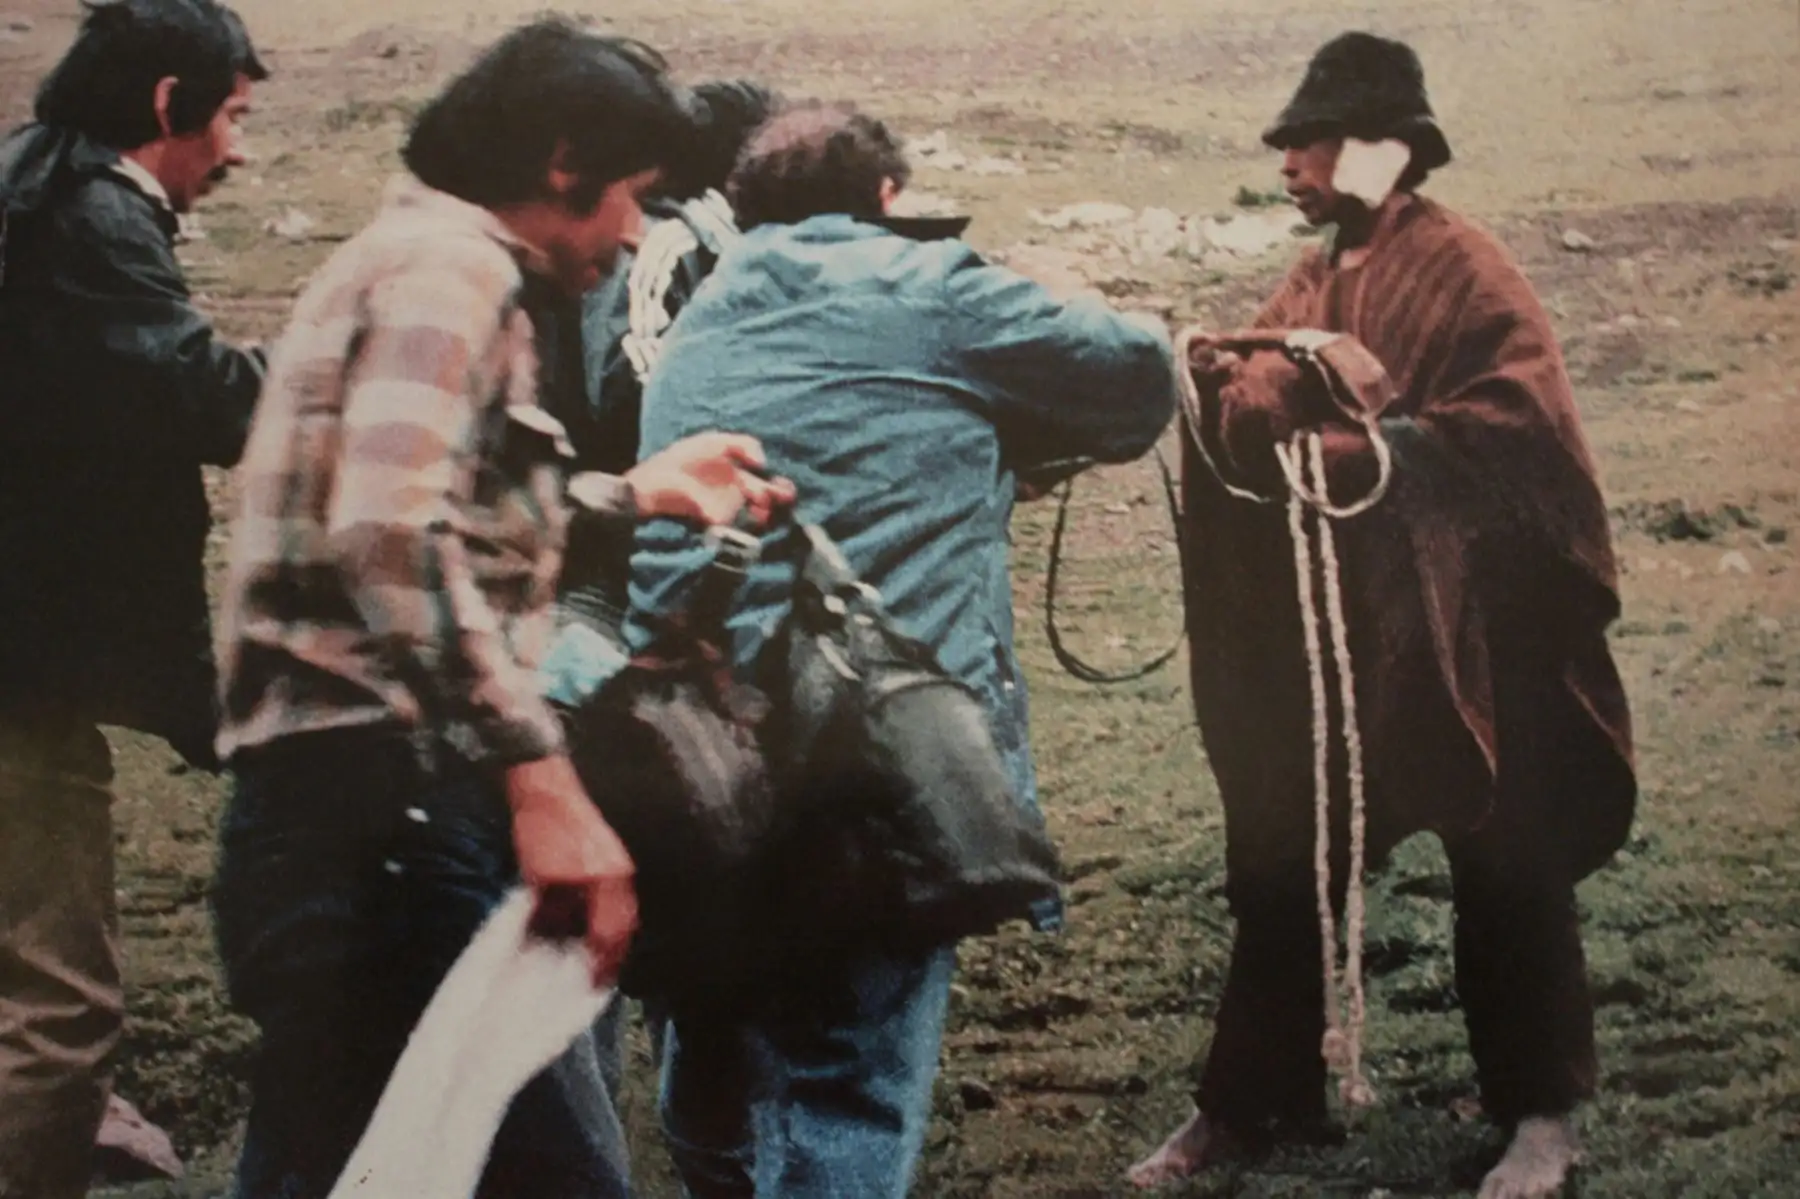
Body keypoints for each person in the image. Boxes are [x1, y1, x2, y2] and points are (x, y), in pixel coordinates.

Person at [206, 21, 792, 1198]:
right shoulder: (455, 273)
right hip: (399, 817)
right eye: (630, 196)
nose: (633, 232)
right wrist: (542, 779)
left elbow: (414, 503)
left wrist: (634, 492)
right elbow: (387, 533)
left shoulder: (399, 255)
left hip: (330, 808)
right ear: (565, 162)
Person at [626, 101, 1175, 1198]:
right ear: (886, 198)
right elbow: (1135, 377)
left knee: (719, 1031)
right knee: (849, 1075)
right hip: (868, 758)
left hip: (691, 755)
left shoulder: (708, 308)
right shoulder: (932, 288)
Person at [1128, 32, 1636, 1199]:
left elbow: (1521, 436)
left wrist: (1379, 450)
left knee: (1511, 863)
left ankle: (1543, 1117)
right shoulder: (1318, 272)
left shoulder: (1469, 269)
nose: (1291, 165)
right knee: (1286, 855)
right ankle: (1248, 1104)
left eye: (1307, 144)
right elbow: (1271, 390)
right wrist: (1229, 387)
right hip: (1357, 638)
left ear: (1375, 150)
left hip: (1489, 637)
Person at [0, 1, 267, 1193]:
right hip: (14, 675)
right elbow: (204, 399)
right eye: (234, 117)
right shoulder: (93, 216)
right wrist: (342, 365)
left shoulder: (24, 177)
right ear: (169, 103)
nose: (239, 151)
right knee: (60, 1009)